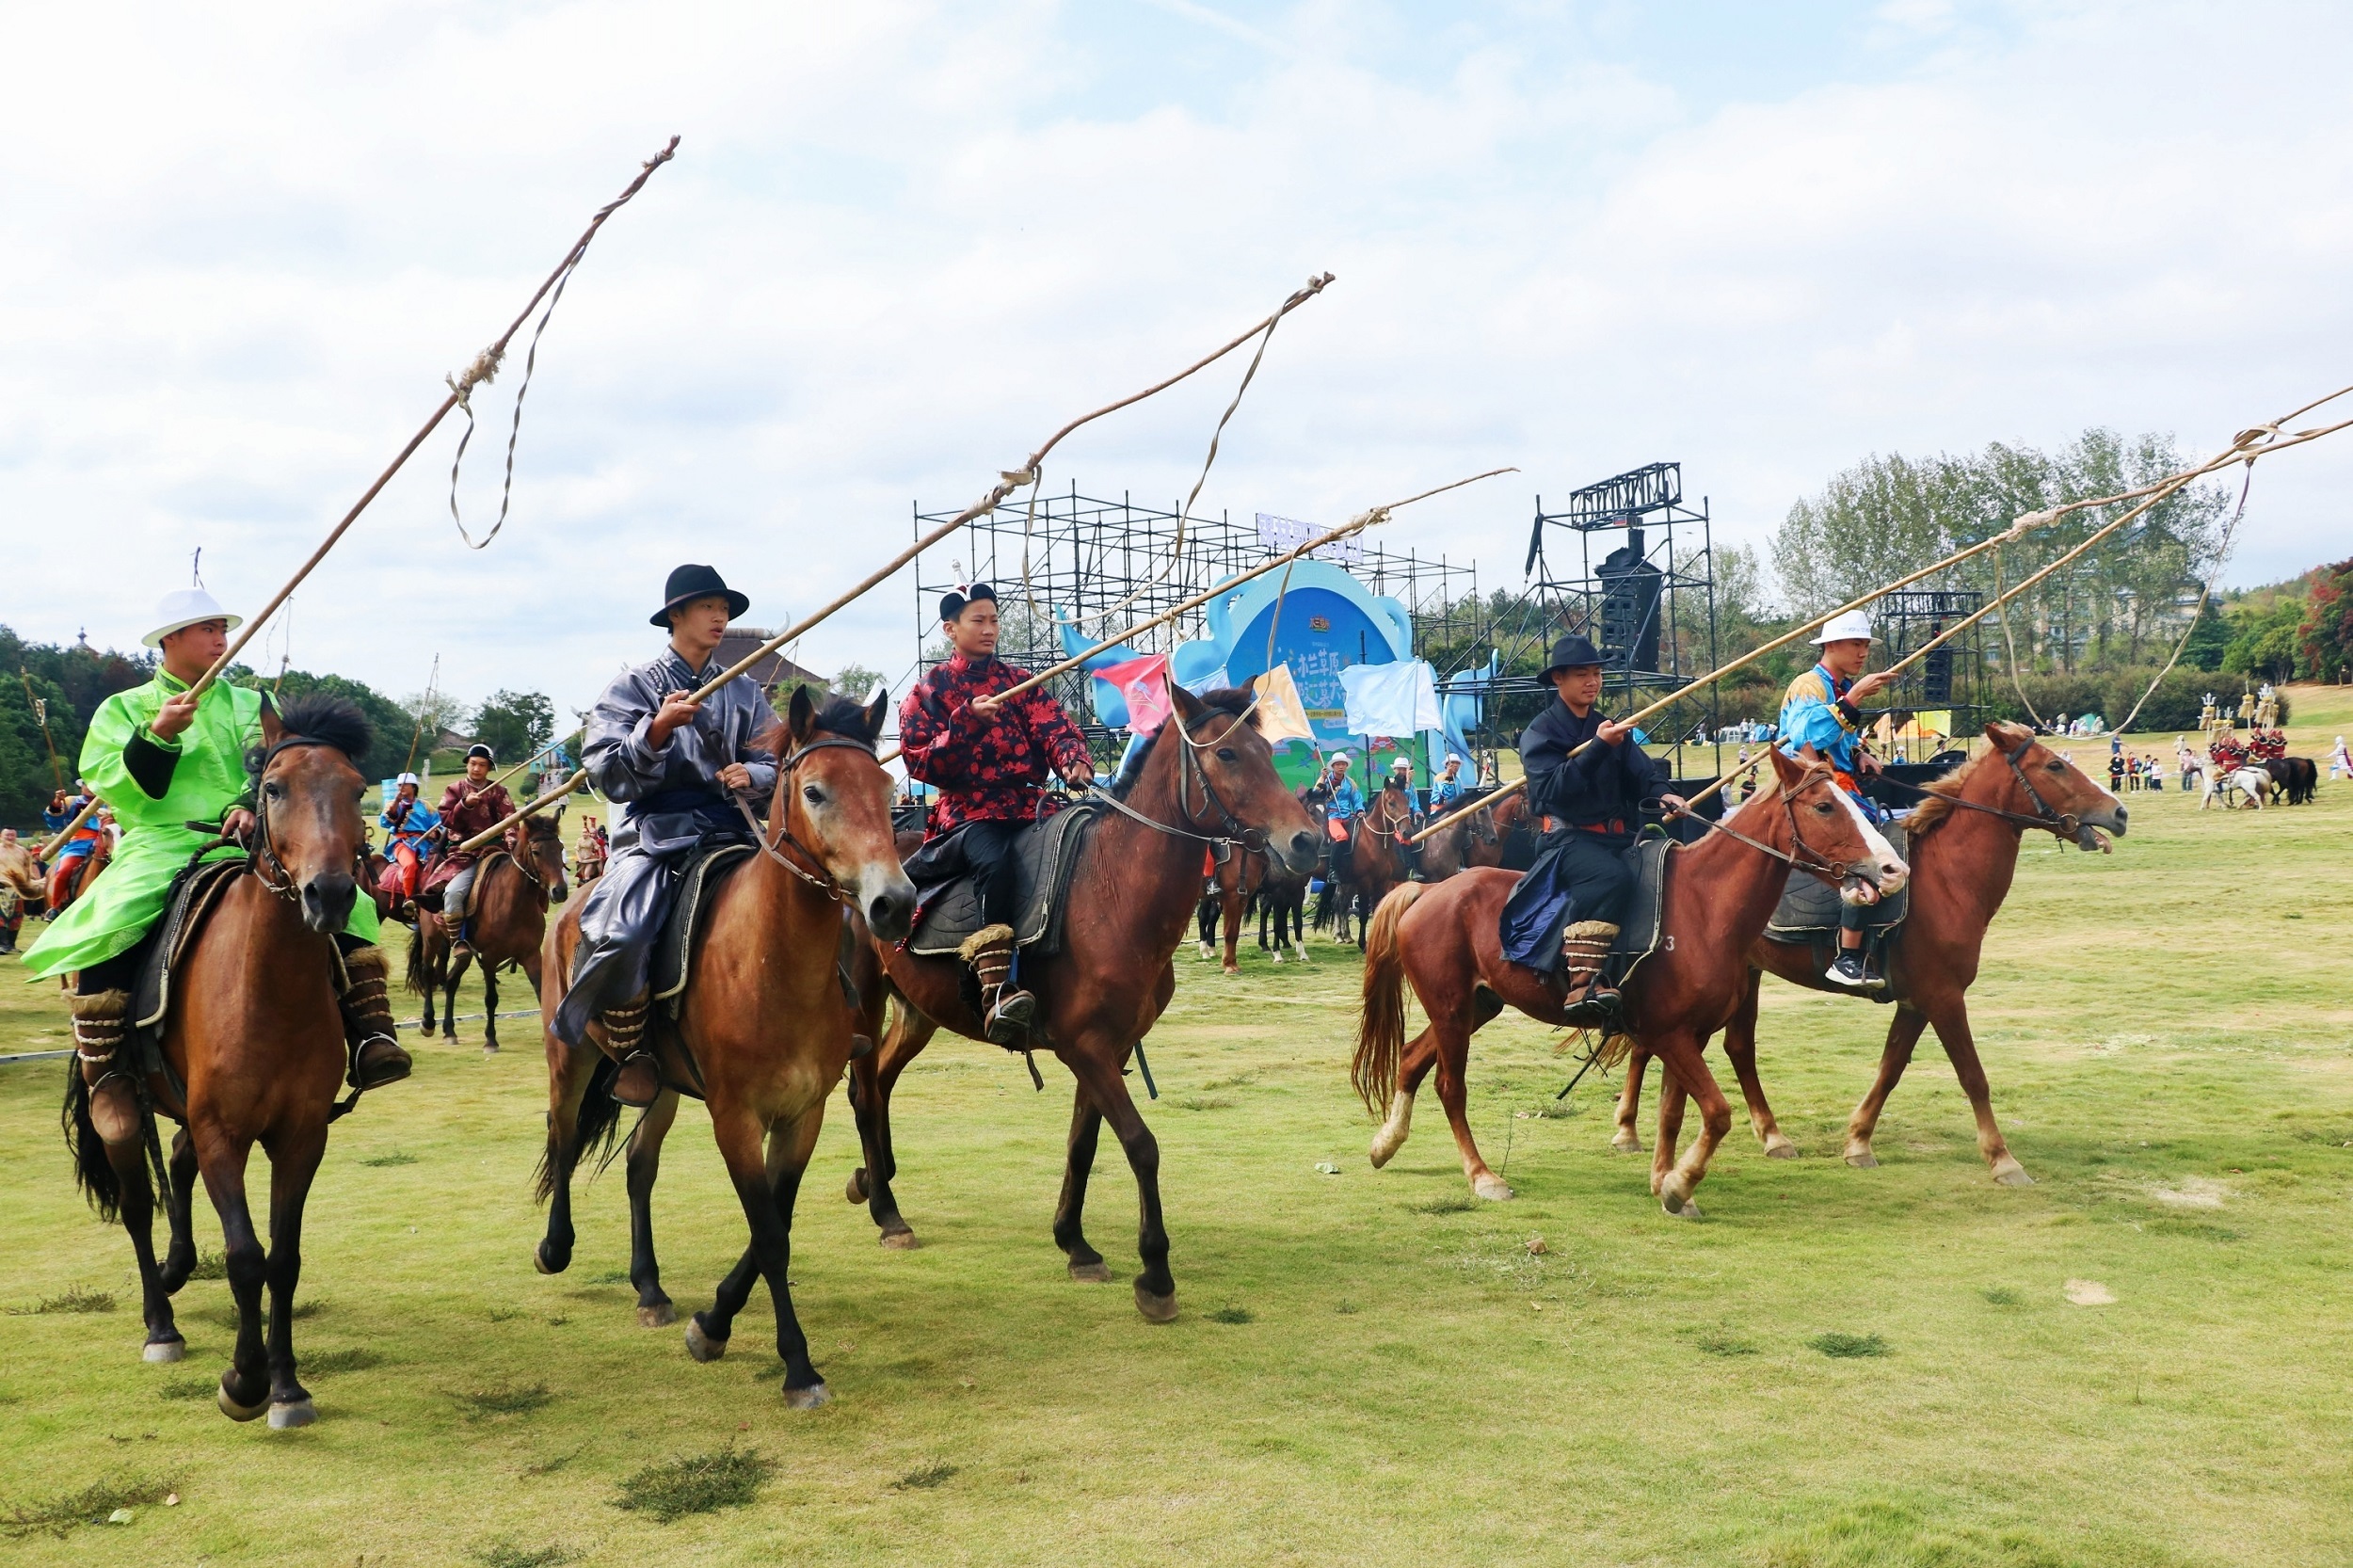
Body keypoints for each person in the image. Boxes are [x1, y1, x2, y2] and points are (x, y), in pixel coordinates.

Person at [20, 585, 406, 1144]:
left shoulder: (253, 707)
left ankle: (372, 1034)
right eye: (207, 629)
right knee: (115, 917)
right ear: (170, 640)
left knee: (355, 903)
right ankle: (106, 1073)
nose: (220, 638)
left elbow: (281, 775)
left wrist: (247, 808)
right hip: (162, 843)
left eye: (223, 628)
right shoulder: (125, 708)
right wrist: (158, 736)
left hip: (252, 843)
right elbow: (111, 786)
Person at [554, 564, 780, 1105]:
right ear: (675, 616)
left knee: (816, 896)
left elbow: (777, 758)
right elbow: (607, 776)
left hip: (735, 830)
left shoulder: (746, 688)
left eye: (725, 608)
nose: (720, 616)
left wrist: (756, 775)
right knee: (625, 932)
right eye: (708, 606)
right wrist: (654, 731)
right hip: (656, 834)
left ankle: (831, 1018)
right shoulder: (632, 686)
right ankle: (632, 1050)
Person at [898, 582, 1096, 1048]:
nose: (989, 629)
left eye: (993, 620)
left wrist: (1071, 758)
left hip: (1032, 805)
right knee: (995, 862)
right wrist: (964, 723)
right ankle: (996, 992)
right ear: (951, 629)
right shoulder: (928, 691)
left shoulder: (1019, 682)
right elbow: (922, 763)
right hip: (966, 815)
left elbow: (1055, 727)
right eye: (977, 621)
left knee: (1087, 843)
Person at [1497, 634, 1681, 1027]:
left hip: (1618, 836)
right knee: (1611, 877)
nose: (1593, 681)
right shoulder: (1540, 733)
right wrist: (1598, 748)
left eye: (1597, 673)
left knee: (1670, 868)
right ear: (1559, 680)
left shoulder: (1608, 728)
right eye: (1582, 674)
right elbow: (1549, 792)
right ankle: (1583, 982)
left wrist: (1664, 794)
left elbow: (1643, 774)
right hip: (1568, 839)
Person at [1773, 609, 1896, 989]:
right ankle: (1848, 957)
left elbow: (1837, 739)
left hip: (1842, 787)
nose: (1863, 653)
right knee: (1866, 860)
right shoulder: (1809, 684)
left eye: (1865, 645)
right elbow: (1806, 735)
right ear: (1832, 645)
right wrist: (1856, 697)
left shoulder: (1837, 686)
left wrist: (1858, 752)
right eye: (1856, 644)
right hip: (1813, 793)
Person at [421, 744, 514, 928]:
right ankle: (457, 942)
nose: (477, 768)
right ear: (467, 765)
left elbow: (510, 818)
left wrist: (512, 841)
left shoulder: (498, 791)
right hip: (464, 853)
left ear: (488, 768)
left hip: (497, 851)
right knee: (453, 893)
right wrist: (464, 804)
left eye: (482, 764)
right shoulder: (453, 790)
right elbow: (446, 819)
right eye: (473, 764)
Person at [376, 773, 440, 915]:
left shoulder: (426, 806)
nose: (401, 787)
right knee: (410, 865)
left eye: (405, 784)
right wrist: (396, 803)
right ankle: (409, 899)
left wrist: (434, 833)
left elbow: (437, 824)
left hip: (426, 844)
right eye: (399, 785)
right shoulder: (393, 805)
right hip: (403, 843)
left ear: (413, 787)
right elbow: (384, 822)